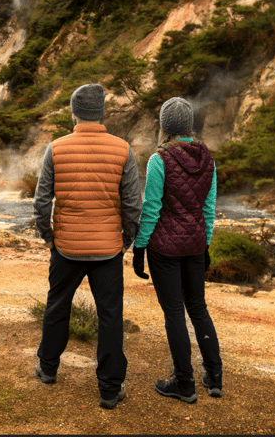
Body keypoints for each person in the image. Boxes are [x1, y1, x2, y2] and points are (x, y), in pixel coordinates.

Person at [33, 83, 142, 410]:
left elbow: (41, 202)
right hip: (108, 249)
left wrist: (49, 237)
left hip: (66, 247)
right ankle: (109, 389)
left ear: (74, 112)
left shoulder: (56, 148)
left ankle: (48, 369)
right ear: (102, 113)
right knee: (110, 317)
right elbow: (133, 204)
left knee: (57, 308)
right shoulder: (123, 149)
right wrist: (126, 239)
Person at [132, 96, 223, 404]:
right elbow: (208, 209)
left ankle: (184, 383)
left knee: (174, 313)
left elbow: (152, 208)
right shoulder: (208, 158)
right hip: (196, 247)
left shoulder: (160, 159)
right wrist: (205, 243)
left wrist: (139, 247)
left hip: (165, 250)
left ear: (165, 126)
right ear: (189, 125)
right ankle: (214, 376)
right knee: (198, 308)